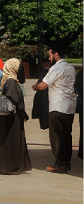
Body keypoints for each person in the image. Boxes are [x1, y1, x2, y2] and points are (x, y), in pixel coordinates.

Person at [33, 45, 77, 173]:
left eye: (50, 55)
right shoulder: (70, 68)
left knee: (56, 136)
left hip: (58, 106)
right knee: (66, 135)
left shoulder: (56, 68)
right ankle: (66, 162)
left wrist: (35, 86)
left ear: (56, 55)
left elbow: (43, 85)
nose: (49, 57)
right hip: (69, 107)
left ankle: (60, 163)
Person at [0, 58, 31, 175]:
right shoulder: (11, 81)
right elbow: (14, 99)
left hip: (10, 117)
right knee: (13, 141)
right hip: (13, 117)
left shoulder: (8, 80)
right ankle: (13, 167)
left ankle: (10, 167)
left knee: (10, 141)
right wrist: (23, 114)